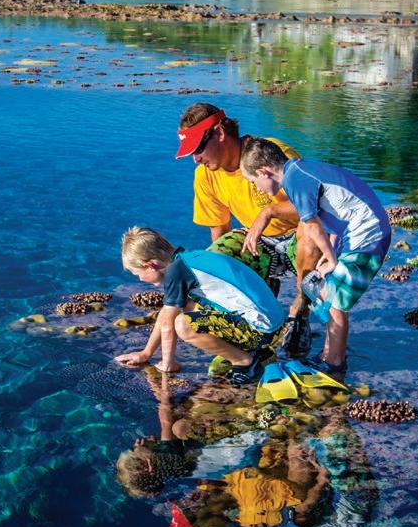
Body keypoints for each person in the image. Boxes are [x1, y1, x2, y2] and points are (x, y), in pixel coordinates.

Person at [239, 137, 391, 378]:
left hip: (367, 235)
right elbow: (336, 209)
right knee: (322, 289)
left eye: (253, 182)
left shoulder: (295, 180)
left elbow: (311, 225)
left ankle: (334, 364)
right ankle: (328, 355)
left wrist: (331, 258)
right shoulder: (299, 171)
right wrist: (332, 250)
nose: (256, 188)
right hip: (355, 233)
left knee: (334, 297)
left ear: (263, 172)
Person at [175, 103, 316, 346]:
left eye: (198, 148)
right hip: (259, 244)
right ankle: (249, 323)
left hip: (302, 239)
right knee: (216, 256)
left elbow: (315, 204)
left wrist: (269, 212)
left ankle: (300, 309)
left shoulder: (270, 154)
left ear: (220, 133)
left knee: (309, 228)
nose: (196, 159)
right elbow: (219, 231)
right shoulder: (205, 174)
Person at [114, 226, 284, 384]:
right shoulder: (188, 260)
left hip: (261, 330)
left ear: (150, 265)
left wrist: (168, 364)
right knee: (188, 306)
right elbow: (166, 314)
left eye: (137, 274)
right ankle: (255, 351)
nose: (140, 279)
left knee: (183, 324)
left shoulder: (175, 272)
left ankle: (245, 362)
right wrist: (146, 353)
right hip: (272, 324)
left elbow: (167, 326)